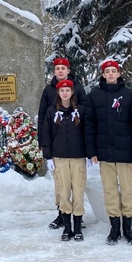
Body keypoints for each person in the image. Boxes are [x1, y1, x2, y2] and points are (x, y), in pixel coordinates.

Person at [88, 60, 132, 245]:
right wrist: (92, 151)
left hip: (126, 154)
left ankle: (127, 229)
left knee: (127, 191)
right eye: (107, 71)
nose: (111, 74)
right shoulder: (95, 95)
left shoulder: (129, 95)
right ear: (103, 75)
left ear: (119, 74)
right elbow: (89, 124)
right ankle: (114, 229)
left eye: (114, 71)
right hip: (105, 153)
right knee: (110, 191)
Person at [38, 57, 88, 230]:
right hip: (58, 146)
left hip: (76, 147)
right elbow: (43, 118)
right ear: (54, 71)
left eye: (63, 68)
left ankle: (77, 219)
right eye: (57, 68)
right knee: (61, 186)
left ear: (68, 70)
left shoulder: (78, 89)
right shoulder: (48, 91)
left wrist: (88, 149)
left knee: (77, 186)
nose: (60, 71)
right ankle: (62, 215)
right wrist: (44, 146)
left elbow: (85, 119)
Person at [42, 79, 94, 242]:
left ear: (72, 92)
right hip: (60, 158)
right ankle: (67, 227)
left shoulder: (81, 111)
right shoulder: (51, 112)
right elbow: (46, 134)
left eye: (67, 90)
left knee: (78, 191)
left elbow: (88, 133)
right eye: (62, 90)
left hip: (78, 158)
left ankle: (78, 227)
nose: (65, 93)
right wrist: (48, 156)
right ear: (58, 93)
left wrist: (89, 154)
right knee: (63, 192)